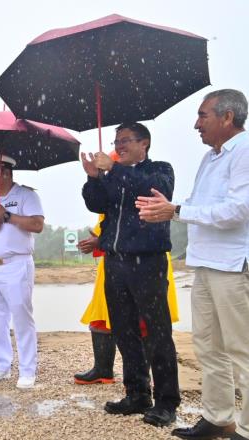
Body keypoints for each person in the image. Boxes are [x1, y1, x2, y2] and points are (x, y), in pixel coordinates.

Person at [137, 89, 249, 440]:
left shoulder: (244, 152)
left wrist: (178, 211)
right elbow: (201, 209)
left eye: (203, 116)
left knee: (242, 350)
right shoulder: (210, 158)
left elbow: (239, 210)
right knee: (208, 347)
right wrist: (170, 209)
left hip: (234, 266)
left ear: (227, 117)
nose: (196, 125)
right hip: (205, 265)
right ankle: (218, 418)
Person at [81, 122, 180, 427]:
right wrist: (94, 177)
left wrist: (114, 167)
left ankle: (166, 401)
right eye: (116, 141)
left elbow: (154, 191)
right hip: (115, 262)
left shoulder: (159, 169)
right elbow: (95, 203)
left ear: (144, 143)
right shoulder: (114, 175)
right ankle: (137, 393)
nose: (119, 145)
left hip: (147, 261)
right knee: (124, 330)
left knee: (158, 332)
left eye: (125, 141)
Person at [0, 154, 44, 389]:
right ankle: (1, 365)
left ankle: (27, 370)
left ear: (5, 172)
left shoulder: (26, 195)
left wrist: (7, 216)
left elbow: (37, 224)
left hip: (17, 264)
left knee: (22, 318)